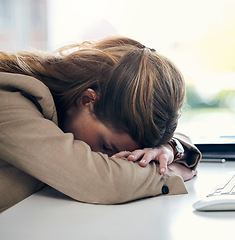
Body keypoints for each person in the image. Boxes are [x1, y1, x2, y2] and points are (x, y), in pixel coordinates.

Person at [0, 36, 201, 212]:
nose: (113, 159)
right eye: (107, 146)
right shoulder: (11, 99)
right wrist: (168, 174)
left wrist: (167, 149)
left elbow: (177, 138)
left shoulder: (74, 115)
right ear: (87, 100)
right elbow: (95, 179)